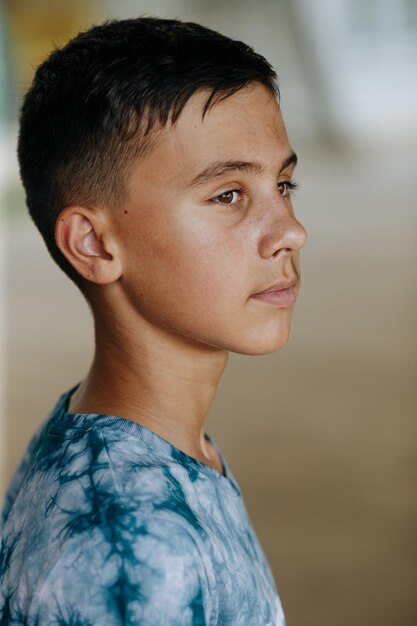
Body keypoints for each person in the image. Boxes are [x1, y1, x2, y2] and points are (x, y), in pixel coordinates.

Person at [0, 16, 306, 626]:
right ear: (93, 243)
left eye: (283, 183)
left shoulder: (131, 439)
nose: (291, 232)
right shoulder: (136, 550)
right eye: (227, 195)